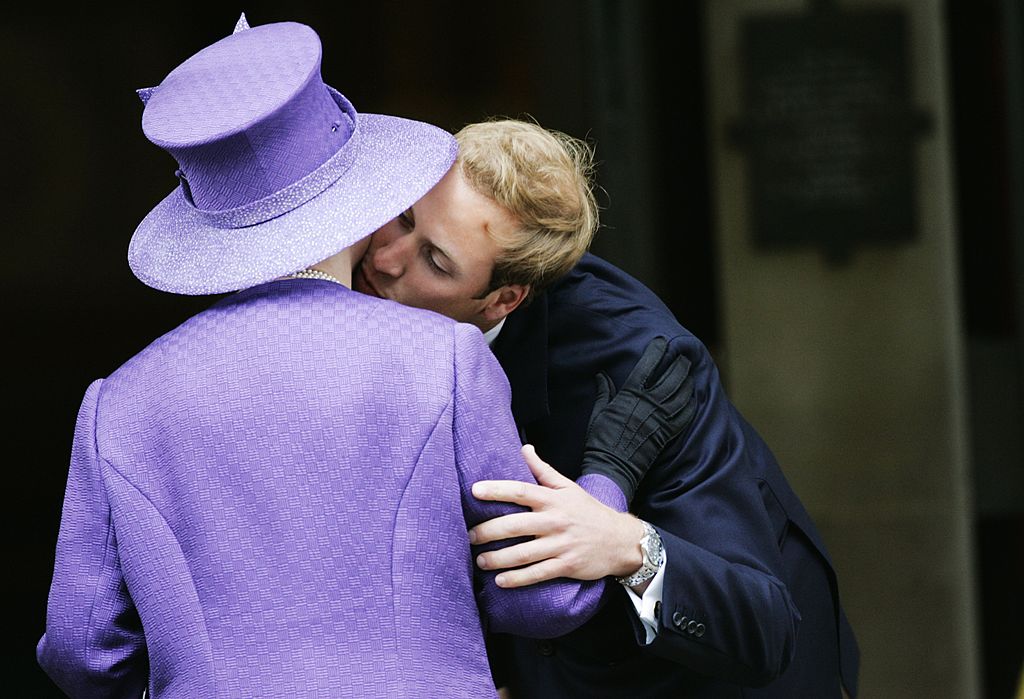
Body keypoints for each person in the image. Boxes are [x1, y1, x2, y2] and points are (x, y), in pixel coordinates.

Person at [36, 18, 692, 698]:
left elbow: (83, 648)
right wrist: (610, 474)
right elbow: (540, 599)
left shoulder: (117, 404)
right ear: (350, 180)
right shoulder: (446, 361)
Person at [352, 117, 861, 697]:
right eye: (402, 217)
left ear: (502, 301)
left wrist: (627, 546)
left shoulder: (639, 362)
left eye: (435, 262)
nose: (385, 258)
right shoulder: (352, 262)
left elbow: (763, 626)